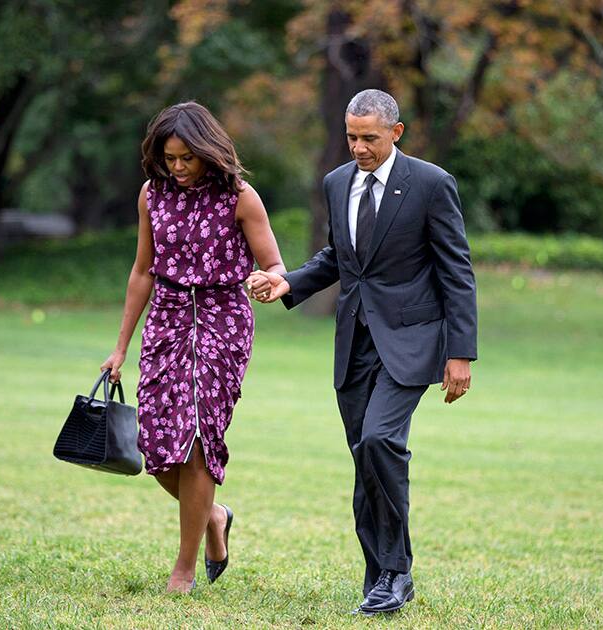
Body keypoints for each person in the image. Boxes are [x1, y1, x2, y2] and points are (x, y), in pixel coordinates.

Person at [247, 89, 477, 615]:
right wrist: (290, 284)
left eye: (369, 138)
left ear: (396, 133)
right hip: (353, 343)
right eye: (352, 137)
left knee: (379, 442)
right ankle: (380, 576)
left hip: (413, 341)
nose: (358, 148)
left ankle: (396, 571)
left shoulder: (431, 184)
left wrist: (460, 353)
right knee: (364, 459)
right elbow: (341, 256)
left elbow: (456, 271)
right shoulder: (336, 184)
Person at [101, 101, 286, 594]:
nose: (178, 167)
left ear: (208, 151)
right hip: (166, 318)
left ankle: (183, 570)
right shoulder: (151, 194)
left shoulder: (240, 197)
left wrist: (268, 282)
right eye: (169, 158)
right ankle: (214, 518)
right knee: (158, 446)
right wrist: (120, 347)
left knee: (199, 439)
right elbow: (142, 271)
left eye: (187, 157)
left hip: (223, 321)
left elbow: (276, 265)